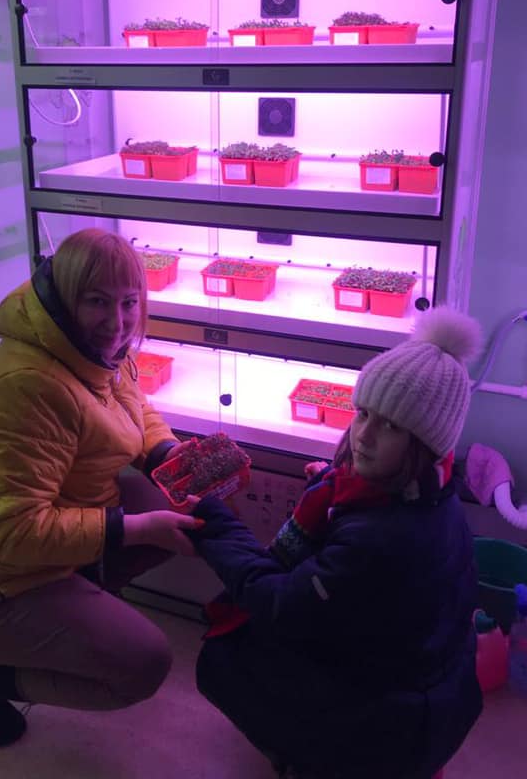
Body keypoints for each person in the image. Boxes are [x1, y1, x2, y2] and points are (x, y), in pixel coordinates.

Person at [0, 228, 201, 748]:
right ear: (66, 296)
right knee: (144, 664)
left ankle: (71, 613)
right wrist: (134, 529)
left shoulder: (87, 347)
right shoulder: (27, 386)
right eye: (97, 301)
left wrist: (165, 452)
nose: (118, 321)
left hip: (40, 545)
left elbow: (133, 403)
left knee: (165, 498)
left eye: (129, 302)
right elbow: (13, 532)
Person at [187, 306, 484, 779]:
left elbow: (277, 603)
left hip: (397, 726)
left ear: (426, 444)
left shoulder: (378, 541)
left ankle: (320, 761)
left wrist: (214, 523)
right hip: (435, 697)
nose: (363, 436)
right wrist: (329, 492)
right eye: (363, 413)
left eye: (391, 426)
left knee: (223, 658)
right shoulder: (437, 496)